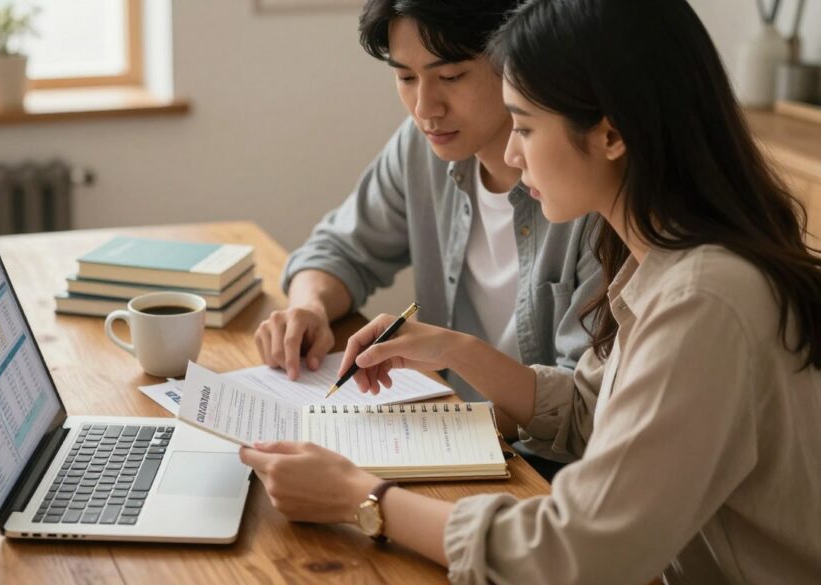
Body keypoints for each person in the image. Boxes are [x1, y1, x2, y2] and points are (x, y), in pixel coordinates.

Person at [239, 0, 821, 583]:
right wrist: (452, 349)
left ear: (611, 133)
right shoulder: (660, 261)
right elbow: (595, 413)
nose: (512, 154)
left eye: (525, 126)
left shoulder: (704, 298)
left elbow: (576, 552)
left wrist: (361, 499)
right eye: (405, 76)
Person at [255, 1, 602, 441]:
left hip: (537, 466)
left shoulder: (589, 189)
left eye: (451, 76)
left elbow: (584, 412)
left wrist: (425, 428)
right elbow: (338, 249)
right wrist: (309, 306)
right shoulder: (423, 148)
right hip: (449, 432)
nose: (425, 108)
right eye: (405, 77)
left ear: (519, 60)